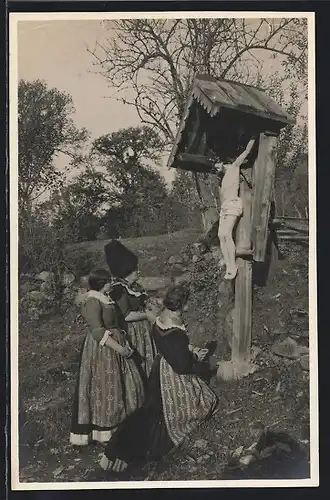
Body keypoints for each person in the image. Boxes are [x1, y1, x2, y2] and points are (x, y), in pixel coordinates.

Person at [99, 284, 218, 473]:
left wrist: (188, 350)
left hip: (160, 367)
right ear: (181, 304)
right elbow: (182, 366)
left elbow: (169, 349)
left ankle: (116, 452)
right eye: (187, 302)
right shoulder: (177, 331)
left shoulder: (161, 319)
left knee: (150, 410)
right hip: (173, 376)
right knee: (205, 402)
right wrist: (196, 358)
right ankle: (130, 453)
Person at [70, 269, 145, 446]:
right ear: (103, 283)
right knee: (105, 387)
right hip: (103, 348)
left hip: (115, 342)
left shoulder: (104, 297)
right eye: (110, 281)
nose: (113, 283)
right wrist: (120, 348)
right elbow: (97, 331)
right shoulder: (93, 300)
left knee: (123, 384)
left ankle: (124, 426)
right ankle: (105, 433)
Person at [104, 240, 157, 380]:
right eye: (135, 269)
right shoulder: (118, 289)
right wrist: (146, 315)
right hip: (132, 331)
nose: (138, 271)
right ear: (126, 271)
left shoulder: (134, 286)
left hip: (144, 328)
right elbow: (126, 315)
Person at [214, 138, 256, 280]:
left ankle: (233, 266)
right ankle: (228, 264)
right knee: (220, 235)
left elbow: (246, 152)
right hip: (225, 207)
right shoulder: (222, 179)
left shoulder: (234, 167)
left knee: (226, 233)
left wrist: (253, 138)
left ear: (223, 162)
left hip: (233, 204)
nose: (215, 168)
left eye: (216, 165)